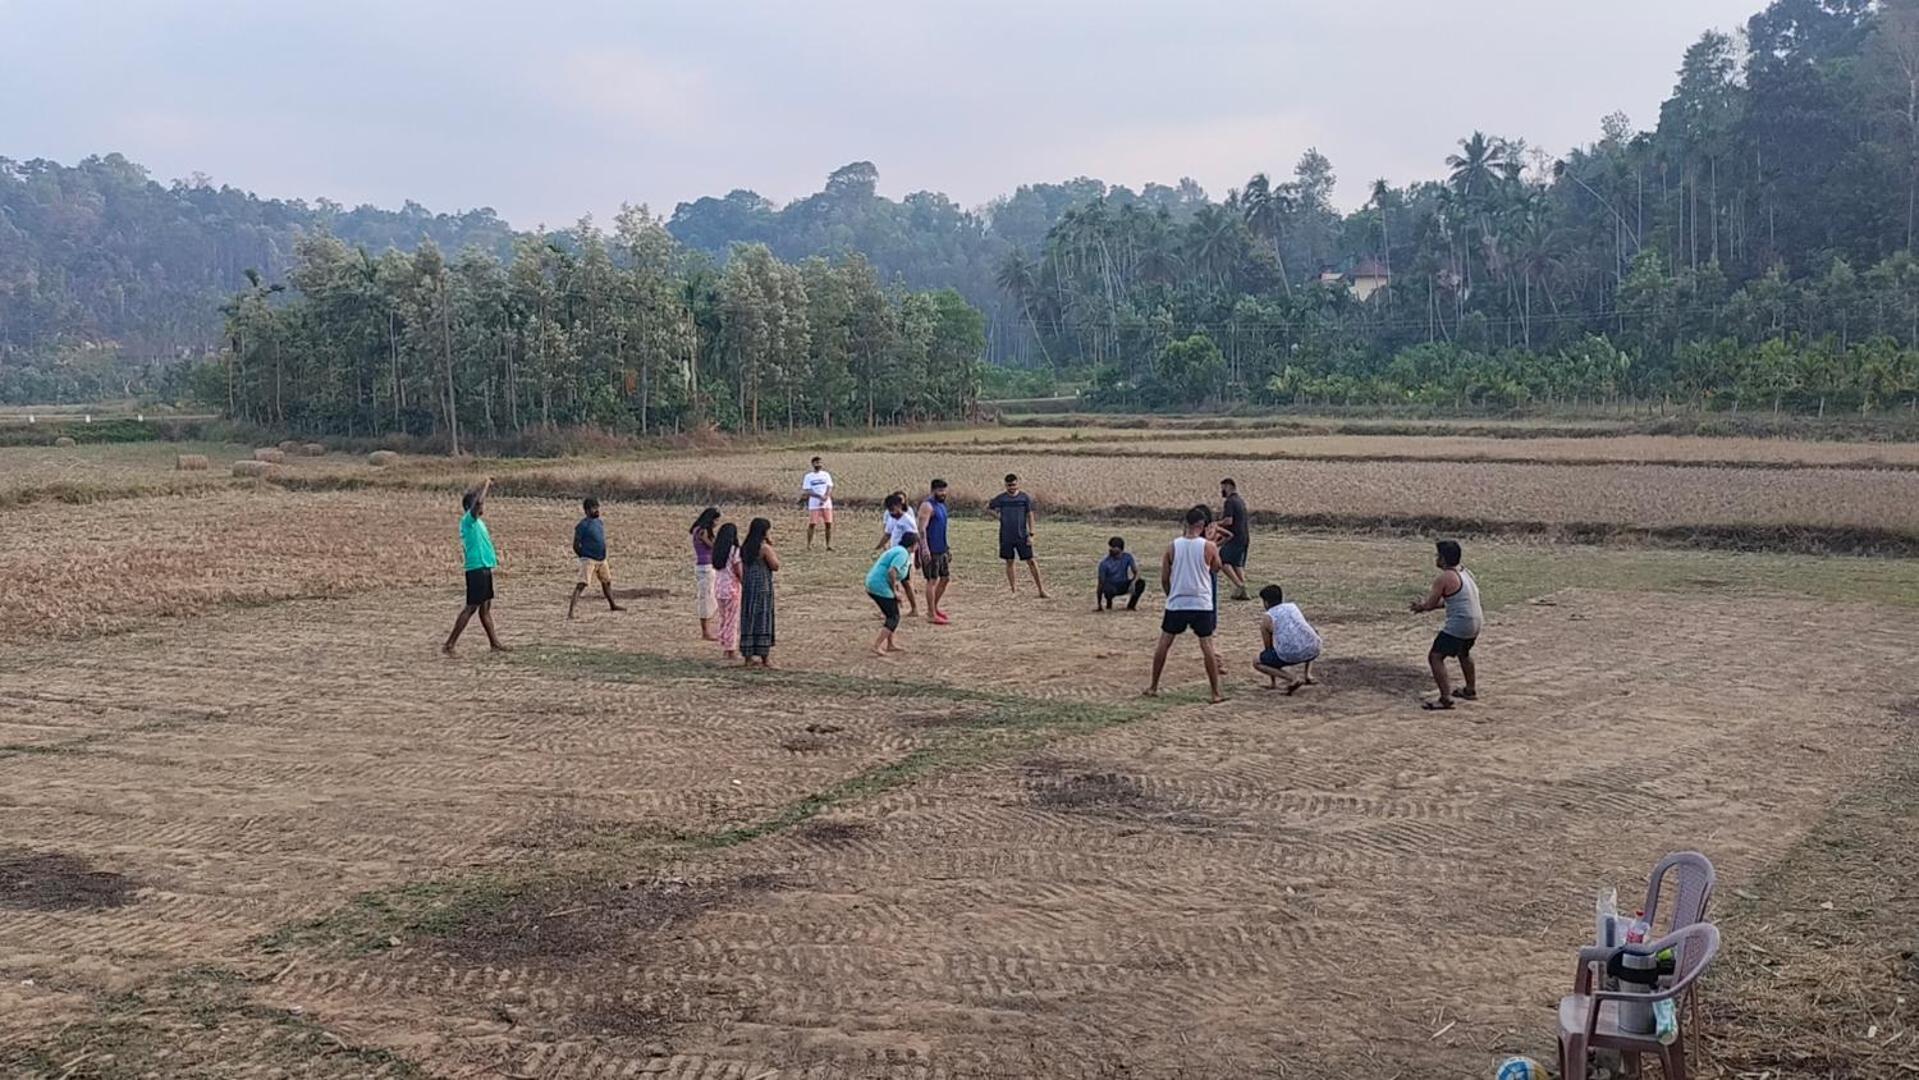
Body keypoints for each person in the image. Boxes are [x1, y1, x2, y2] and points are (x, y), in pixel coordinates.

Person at [1145, 506, 1225, 703]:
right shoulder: (1209, 546)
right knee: (1207, 646)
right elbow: (1216, 568)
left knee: (1164, 644)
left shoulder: (1172, 546)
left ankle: (1153, 686)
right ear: (1201, 525)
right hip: (1201, 602)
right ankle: (1215, 693)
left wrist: (1170, 594)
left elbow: (1164, 578)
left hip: (1177, 602)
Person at [1409, 539, 1483, 710]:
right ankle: (1470, 689)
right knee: (1464, 652)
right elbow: (1452, 601)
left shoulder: (1444, 578)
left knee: (1435, 657)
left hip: (1460, 624)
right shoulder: (1465, 573)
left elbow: (1430, 604)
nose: (1436, 558)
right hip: (1475, 622)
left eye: (1437, 555)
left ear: (1443, 558)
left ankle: (1445, 698)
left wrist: (1420, 607)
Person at [443, 477, 507, 655]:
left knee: (485, 608)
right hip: (476, 568)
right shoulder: (468, 521)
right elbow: (479, 501)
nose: (482, 507)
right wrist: (486, 485)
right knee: (471, 607)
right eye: (478, 506)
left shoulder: (478, 523)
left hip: (484, 567)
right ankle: (449, 644)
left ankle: (494, 643)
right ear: (470, 507)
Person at [986, 473, 1048, 597]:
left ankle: (1041, 590)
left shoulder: (1025, 498)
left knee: (1031, 561)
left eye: (1014, 485)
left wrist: (1031, 534)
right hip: (1006, 536)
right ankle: (1013, 590)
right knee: (1009, 561)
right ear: (1005, 485)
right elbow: (988, 507)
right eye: (1009, 485)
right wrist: (998, 516)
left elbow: (1030, 516)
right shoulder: (1001, 498)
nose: (1012, 487)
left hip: (1022, 535)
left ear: (1017, 484)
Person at [1254, 583, 1322, 693]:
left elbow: (1268, 649)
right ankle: (1308, 675)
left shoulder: (1267, 618)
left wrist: (1273, 682)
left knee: (1257, 662)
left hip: (1289, 654)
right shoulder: (1292, 607)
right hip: (1314, 648)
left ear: (1265, 602)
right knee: (1310, 634)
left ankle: (1292, 678)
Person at [568, 496, 625, 620]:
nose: (597, 510)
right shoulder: (582, 525)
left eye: (597, 507)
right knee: (582, 584)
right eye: (594, 508)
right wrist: (583, 556)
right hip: (589, 560)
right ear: (587, 510)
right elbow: (576, 544)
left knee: (607, 582)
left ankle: (613, 605)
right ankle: (571, 613)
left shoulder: (599, 522)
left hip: (601, 559)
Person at [736, 517, 782, 667]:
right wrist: (771, 545)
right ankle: (764, 657)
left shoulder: (745, 547)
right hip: (762, 585)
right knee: (763, 618)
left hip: (749, 585)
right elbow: (775, 565)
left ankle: (748, 657)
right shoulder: (764, 548)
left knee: (749, 617)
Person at [866, 532, 919, 657]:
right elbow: (892, 572)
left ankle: (890, 644)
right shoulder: (903, 554)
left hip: (874, 583)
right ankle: (877, 645)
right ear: (913, 545)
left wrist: (895, 590)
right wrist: (894, 592)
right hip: (879, 585)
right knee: (894, 617)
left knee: (891, 612)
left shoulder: (897, 550)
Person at [916, 479, 953, 624]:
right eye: (939, 491)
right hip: (931, 549)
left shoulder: (942, 506)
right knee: (932, 580)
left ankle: (934, 607)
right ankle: (931, 614)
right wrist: (924, 548)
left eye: (944, 490)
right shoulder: (927, 505)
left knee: (945, 578)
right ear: (933, 491)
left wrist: (947, 548)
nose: (943, 493)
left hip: (941, 548)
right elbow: (921, 529)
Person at [711, 522, 742, 661]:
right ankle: (730, 648)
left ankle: (724, 644)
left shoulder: (717, 551)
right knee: (732, 620)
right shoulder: (734, 551)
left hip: (719, 588)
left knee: (724, 618)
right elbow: (738, 571)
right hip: (732, 589)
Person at [1217, 478, 1251, 601]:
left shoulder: (1229, 502)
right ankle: (1243, 592)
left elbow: (1228, 521)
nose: (1221, 490)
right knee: (1237, 564)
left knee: (1222, 560)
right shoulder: (1240, 501)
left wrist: (1215, 525)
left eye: (1223, 487)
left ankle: (1239, 585)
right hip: (1244, 537)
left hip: (1234, 537)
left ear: (1229, 486)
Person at [690, 507, 721, 642]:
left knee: (708, 598)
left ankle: (708, 628)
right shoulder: (703, 532)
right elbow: (713, 547)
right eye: (716, 520)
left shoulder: (696, 530)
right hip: (706, 567)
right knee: (707, 599)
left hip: (701, 566)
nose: (716, 523)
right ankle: (706, 631)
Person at [1096, 536, 1147, 611]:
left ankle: (1131, 605)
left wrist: (1133, 582)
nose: (1110, 549)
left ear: (1119, 548)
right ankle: (1109, 602)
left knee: (1140, 583)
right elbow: (1100, 583)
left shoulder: (1127, 557)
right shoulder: (1104, 563)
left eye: (1113, 547)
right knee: (1107, 587)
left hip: (1123, 584)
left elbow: (1136, 572)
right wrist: (1099, 604)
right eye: (1110, 547)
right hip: (1112, 586)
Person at [802, 457, 835, 550]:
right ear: (812, 464)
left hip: (826, 503)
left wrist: (825, 496)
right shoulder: (808, 476)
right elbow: (808, 490)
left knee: (828, 523)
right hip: (814, 503)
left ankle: (828, 545)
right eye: (816, 463)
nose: (818, 464)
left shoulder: (826, 475)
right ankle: (808, 545)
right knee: (812, 523)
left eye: (820, 462)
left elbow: (829, 487)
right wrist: (819, 496)